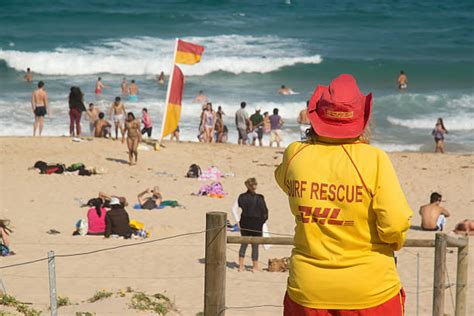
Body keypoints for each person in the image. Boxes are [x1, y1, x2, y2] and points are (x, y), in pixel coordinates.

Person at [275, 74, 412, 315]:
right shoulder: (374, 159)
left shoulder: (295, 154)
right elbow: (395, 222)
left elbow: (285, 184)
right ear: (361, 118)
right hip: (370, 289)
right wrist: (394, 241)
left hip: (309, 288)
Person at [232, 178, 268, 272]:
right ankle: (255, 267)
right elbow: (265, 212)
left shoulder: (242, 197)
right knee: (255, 245)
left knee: (244, 244)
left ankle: (241, 266)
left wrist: (237, 221)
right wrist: (262, 221)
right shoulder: (259, 198)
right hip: (256, 223)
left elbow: (233, 209)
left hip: (244, 222)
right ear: (255, 186)